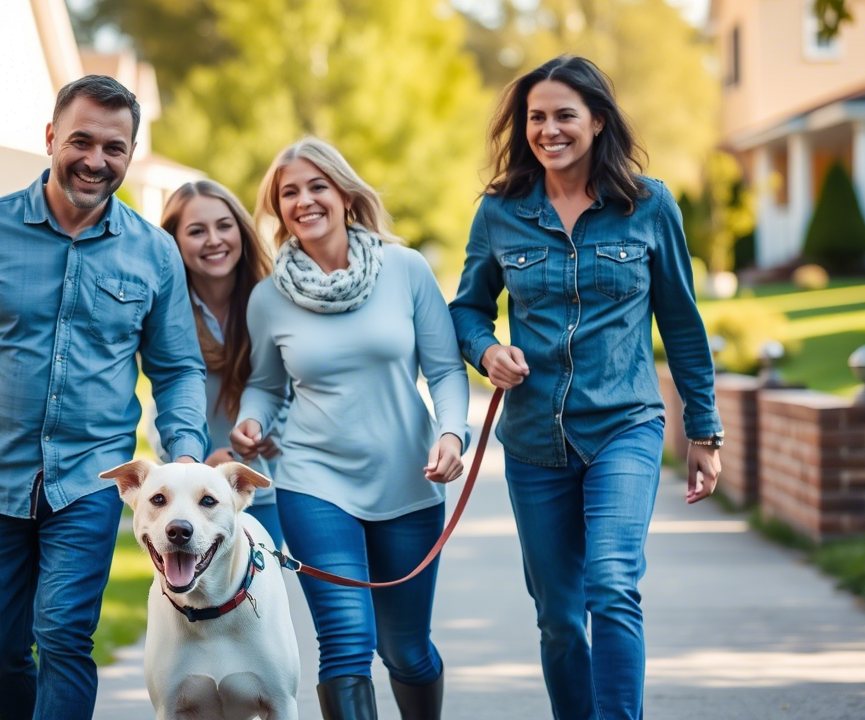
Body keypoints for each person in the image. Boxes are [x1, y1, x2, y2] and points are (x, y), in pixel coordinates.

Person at [0, 75, 208, 720]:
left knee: (66, 636)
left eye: (115, 148)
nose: (96, 161)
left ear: (131, 154)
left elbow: (178, 368)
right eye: (82, 141)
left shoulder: (154, 253)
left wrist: (183, 458)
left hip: (91, 481)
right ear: (50, 138)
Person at [448, 55, 723, 720]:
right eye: (536, 117)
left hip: (623, 427)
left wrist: (705, 432)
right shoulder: (501, 212)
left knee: (612, 585)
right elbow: (466, 310)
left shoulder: (649, 205)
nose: (549, 130)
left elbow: (683, 324)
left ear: (598, 121)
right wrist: (488, 352)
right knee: (560, 619)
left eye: (564, 115)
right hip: (535, 439)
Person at [231, 137, 470, 720]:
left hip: (408, 481)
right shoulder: (268, 298)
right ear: (278, 208)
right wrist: (251, 421)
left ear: (344, 194)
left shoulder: (405, 270)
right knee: (344, 643)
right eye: (290, 192)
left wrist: (451, 434)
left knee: (406, 651)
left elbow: (444, 370)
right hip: (314, 483)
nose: (305, 201)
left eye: (317, 186)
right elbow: (266, 382)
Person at [156, 179, 286, 549]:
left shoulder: (274, 300)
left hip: (270, 485)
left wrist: (240, 452)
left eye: (224, 226)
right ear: (175, 242)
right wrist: (194, 463)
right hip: (193, 493)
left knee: (261, 598)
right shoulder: (166, 313)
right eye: (197, 231)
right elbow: (164, 396)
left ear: (241, 232)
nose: (214, 239)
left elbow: (292, 388)